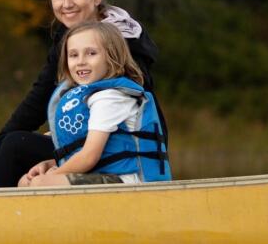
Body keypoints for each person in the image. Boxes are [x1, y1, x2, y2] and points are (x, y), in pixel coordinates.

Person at [0, 0, 165, 188]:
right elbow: (37, 100)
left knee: (18, 151)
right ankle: (15, 220)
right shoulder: (66, 40)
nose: (66, 4)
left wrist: (55, 171)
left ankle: (5, 220)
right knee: (14, 148)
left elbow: (119, 116)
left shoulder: (120, 42)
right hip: (87, 147)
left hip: (120, 153)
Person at [20, 21, 170, 186]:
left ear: (112, 56)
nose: (81, 61)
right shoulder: (91, 97)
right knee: (26, 181)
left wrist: (54, 174)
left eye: (91, 53)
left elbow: (89, 156)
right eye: (73, 55)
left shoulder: (110, 98)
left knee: (41, 184)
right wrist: (52, 164)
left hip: (128, 181)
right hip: (100, 174)